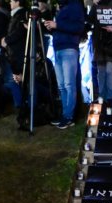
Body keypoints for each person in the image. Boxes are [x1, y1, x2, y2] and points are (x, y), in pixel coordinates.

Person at [44, 0, 85, 128]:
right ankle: (64, 114)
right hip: (59, 49)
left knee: (68, 84)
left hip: (69, 48)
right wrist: (52, 28)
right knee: (62, 86)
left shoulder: (75, 5)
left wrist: (57, 25)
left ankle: (69, 117)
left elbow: (78, 27)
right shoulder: (64, 7)